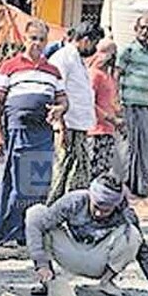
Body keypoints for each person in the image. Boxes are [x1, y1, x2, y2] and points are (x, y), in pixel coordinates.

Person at [25, 173, 148, 296]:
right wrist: (41, 264)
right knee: (36, 213)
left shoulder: (125, 213)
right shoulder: (74, 201)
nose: (99, 213)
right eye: (96, 206)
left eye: (106, 210)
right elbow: (38, 225)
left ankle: (106, 282)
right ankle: (49, 281)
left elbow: (143, 252)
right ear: (91, 197)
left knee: (133, 234)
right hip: (69, 252)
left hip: (99, 261)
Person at [0, 21, 66, 246]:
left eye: (41, 39)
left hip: (42, 134)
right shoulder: (9, 66)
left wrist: (60, 109)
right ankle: (4, 233)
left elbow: (63, 100)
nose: (37, 44)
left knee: (37, 186)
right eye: (33, 38)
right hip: (17, 132)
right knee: (16, 185)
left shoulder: (53, 71)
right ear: (24, 39)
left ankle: (27, 234)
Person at [47, 21, 103, 202]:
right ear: (86, 40)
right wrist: (60, 126)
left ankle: (69, 213)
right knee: (60, 173)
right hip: (66, 126)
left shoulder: (77, 59)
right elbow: (56, 91)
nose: (94, 49)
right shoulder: (63, 57)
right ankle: (49, 213)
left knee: (78, 175)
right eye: (94, 44)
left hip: (78, 126)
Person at [115, 16, 148, 197]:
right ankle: (124, 186)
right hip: (129, 103)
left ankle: (142, 187)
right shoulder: (127, 51)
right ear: (136, 28)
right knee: (128, 146)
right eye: (142, 27)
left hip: (147, 104)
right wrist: (116, 101)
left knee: (147, 146)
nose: (145, 31)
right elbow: (117, 75)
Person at [88, 38, 125, 180]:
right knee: (95, 172)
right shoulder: (94, 75)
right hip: (96, 131)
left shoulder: (108, 76)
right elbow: (90, 104)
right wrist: (111, 118)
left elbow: (111, 102)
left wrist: (119, 115)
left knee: (104, 171)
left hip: (108, 130)